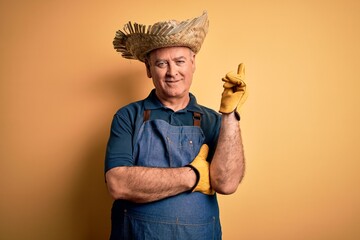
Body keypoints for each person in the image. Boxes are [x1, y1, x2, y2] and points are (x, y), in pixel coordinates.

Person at [105, 11, 248, 240]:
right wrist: (194, 175)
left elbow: (227, 183)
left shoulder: (212, 120)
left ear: (192, 63)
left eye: (180, 61)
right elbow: (118, 184)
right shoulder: (128, 116)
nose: (172, 72)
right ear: (148, 69)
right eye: (162, 63)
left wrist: (229, 115)